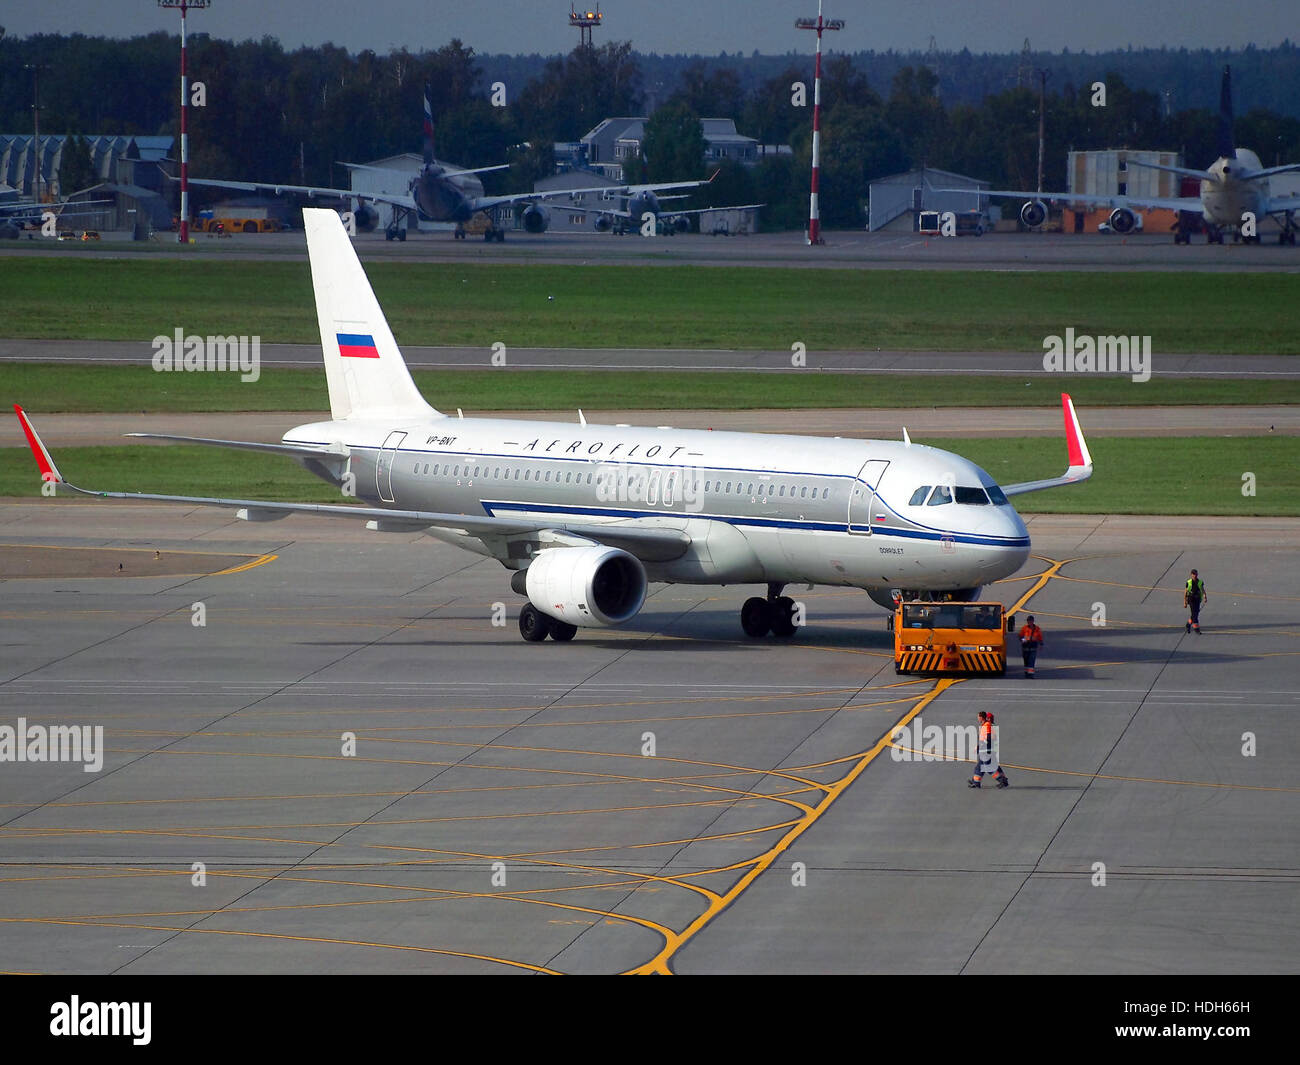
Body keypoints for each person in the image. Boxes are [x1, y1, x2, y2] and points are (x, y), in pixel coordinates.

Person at [969, 711, 1009, 788]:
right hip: (986, 750)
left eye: (978, 717)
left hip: (985, 750)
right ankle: (976, 782)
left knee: (989, 767)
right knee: (979, 767)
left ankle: (1002, 780)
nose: (978, 718)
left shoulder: (987, 725)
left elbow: (989, 738)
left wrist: (981, 745)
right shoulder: (987, 725)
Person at [1184, 569, 1207, 634]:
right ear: (1191, 575)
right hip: (1191, 599)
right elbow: (1185, 592)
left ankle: (1188, 624)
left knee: (1196, 613)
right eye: (1193, 574)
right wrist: (1185, 602)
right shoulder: (1188, 582)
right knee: (1194, 614)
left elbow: (1202, 590)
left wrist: (1205, 596)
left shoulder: (1200, 582)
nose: (1195, 575)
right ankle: (1196, 628)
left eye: (1196, 574)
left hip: (1197, 599)